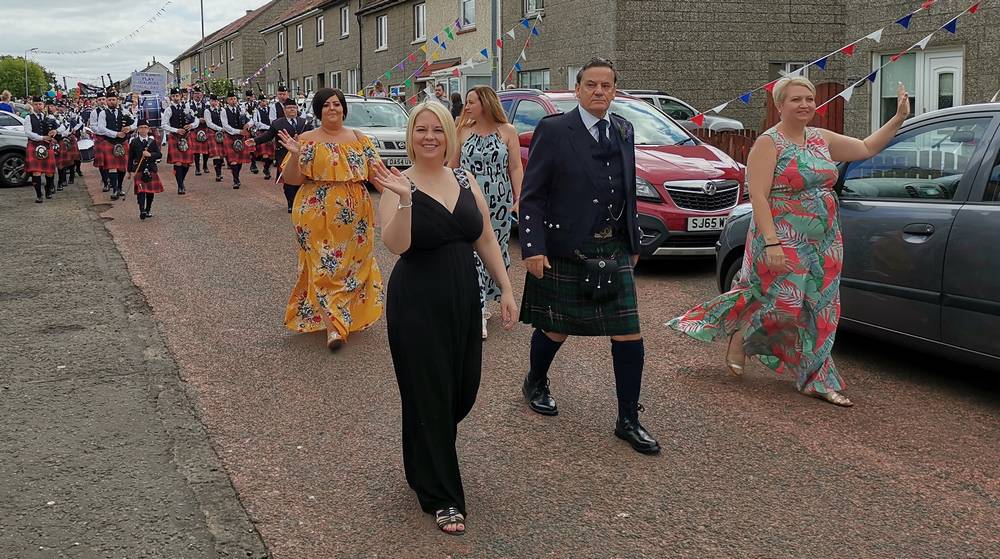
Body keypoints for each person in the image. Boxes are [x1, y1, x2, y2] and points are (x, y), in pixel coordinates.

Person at [666, 77, 911, 407]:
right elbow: (759, 196)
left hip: (825, 238)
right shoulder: (770, 143)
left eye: (809, 99)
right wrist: (771, 243)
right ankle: (741, 337)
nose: (806, 104)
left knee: (822, 307)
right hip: (781, 235)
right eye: (797, 99)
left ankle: (816, 379)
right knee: (780, 302)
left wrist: (897, 119)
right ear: (779, 106)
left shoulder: (822, 139)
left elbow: (866, 148)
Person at [375, 101, 517, 536]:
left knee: (461, 390)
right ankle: (445, 497)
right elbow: (396, 246)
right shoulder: (397, 184)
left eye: (438, 129)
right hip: (416, 303)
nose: (430, 137)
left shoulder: (464, 178)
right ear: (411, 136)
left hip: (462, 299)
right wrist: (404, 202)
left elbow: (485, 236)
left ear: (449, 135)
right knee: (431, 394)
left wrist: (506, 288)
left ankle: (423, 459)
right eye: (422, 130)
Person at [518, 57, 660, 455]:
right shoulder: (554, 130)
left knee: (629, 332)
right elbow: (533, 195)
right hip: (568, 246)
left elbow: (628, 190)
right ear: (578, 88)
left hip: (611, 245)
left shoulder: (623, 129)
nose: (600, 92)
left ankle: (628, 418)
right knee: (556, 328)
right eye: (592, 85)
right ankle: (536, 380)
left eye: (607, 86)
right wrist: (533, 247)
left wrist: (632, 242)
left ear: (615, 90)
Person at [276, 88, 384, 350]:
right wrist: (295, 154)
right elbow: (292, 179)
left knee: (353, 267)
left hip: (356, 214)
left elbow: (376, 175)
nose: (332, 108)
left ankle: (343, 316)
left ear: (344, 109)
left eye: (336, 104)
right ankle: (334, 328)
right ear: (318, 110)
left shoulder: (360, 139)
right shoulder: (306, 139)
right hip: (315, 211)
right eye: (326, 105)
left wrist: (406, 196)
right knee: (323, 265)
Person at [450, 86, 523, 339]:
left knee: (495, 251)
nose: (466, 106)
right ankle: (477, 309)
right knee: (472, 252)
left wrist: (518, 197)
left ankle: (486, 298)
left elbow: (514, 167)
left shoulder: (508, 131)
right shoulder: (462, 131)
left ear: (486, 103)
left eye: (471, 102)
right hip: (469, 199)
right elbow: (453, 166)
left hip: (499, 202)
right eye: (466, 102)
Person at [253, 98, 311, 211]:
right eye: (289, 108)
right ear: (284, 110)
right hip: (284, 155)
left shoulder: (304, 122)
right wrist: (255, 141)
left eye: (294, 108)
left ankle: (298, 201)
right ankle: (290, 202)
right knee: (288, 181)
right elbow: (268, 136)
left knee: (300, 179)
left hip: (300, 155)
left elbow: (312, 136)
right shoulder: (277, 123)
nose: (292, 110)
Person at [96, 91, 134, 201]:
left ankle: (120, 186)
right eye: (109, 100)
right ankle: (114, 190)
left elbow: (136, 122)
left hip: (122, 142)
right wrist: (116, 134)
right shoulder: (103, 113)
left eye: (113, 99)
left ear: (117, 100)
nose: (111, 102)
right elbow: (101, 128)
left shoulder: (125, 112)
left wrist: (129, 128)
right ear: (106, 101)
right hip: (110, 142)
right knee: (112, 168)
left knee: (122, 167)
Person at [161, 87, 199, 195]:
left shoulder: (187, 107)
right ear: (171, 97)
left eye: (177, 96)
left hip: (186, 137)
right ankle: (180, 186)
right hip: (175, 137)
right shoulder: (169, 109)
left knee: (186, 164)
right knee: (178, 162)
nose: (175, 98)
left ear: (180, 96)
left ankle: (181, 180)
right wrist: (176, 130)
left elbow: (195, 119)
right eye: (173, 96)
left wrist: (191, 125)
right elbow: (163, 125)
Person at [23, 96, 58, 203]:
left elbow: (60, 127)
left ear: (43, 105)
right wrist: (42, 138)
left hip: (47, 146)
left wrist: (55, 132)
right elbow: (28, 132)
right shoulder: (28, 118)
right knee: (36, 172)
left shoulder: (48, 117)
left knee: (50, 172)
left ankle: (48, 189)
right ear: (32, 106)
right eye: (36, 104)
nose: (38, 106)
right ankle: (39, 195)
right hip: (34, 145)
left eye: (40, 104)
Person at [127, 117, 164, 220]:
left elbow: (159, 155)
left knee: (150, 192)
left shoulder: (152, 141)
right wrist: (129, 171)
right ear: (138, 129)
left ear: (148, 129)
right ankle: (142, 210)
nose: (143, 129)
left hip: (151, 169)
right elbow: (130, 157)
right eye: (141, 127)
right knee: (141, 191)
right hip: (139, 170)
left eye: (145, 127)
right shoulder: (134, 142)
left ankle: (148, 209)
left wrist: (150, 154)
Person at [221, 90, 252, 189]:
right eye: (231, 99)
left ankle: (236, 176)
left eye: (234, 99)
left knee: (239, 161)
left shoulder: (242, 110)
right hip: (230, 136)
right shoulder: (223, 111)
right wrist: (239, 131)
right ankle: (236, 179)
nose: (233, 101)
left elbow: (251, 120)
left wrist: (249, 124)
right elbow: (225, 126)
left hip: (241, 137)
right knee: (233, 160)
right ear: (227, 100)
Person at [249, 94, 275, 179]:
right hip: (262, 132)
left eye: (266, 100)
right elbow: (257, 123)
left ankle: (266, 168)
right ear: (260, 101)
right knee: (265, 154)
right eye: (263, 101)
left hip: (271, 132)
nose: (265, 102)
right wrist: (269, 127)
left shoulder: (271, 109)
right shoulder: (256, 111)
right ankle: (266, 170)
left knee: (272, 155)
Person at [203, 94, 227, 182]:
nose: (214, 103)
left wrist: (225, 129)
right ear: (210, 101)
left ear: (217, 102)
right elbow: (209, 123)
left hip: (223, 133)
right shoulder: (207, 111)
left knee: (221, 154)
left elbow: (225, 121)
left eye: (215, 101)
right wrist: (220, 129)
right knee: (216, 154)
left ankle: (219, 171)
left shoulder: (222, 110)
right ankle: (218, 174)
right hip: (212, 132)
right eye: (212, 101)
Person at [188, 86, 211, 176]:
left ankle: (205, 165)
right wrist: (198, 119)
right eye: (196, 93)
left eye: (199, 93)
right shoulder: (189, 105)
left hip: (205, 128)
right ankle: (197, 168)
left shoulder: (206, 105)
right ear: (193, 95)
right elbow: (189, 117)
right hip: (195, 129)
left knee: (206, 150)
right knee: (196, 151)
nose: (197, 95)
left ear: (202, 95)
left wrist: (206, 120)